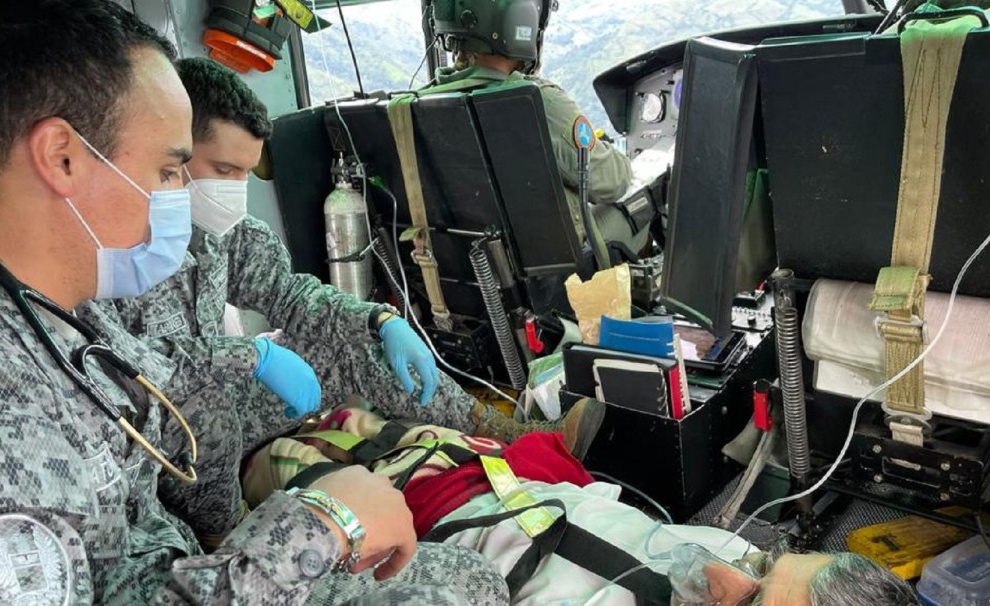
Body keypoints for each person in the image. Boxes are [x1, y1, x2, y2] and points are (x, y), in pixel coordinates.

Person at [0, 1, 509, 604]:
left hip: (163, 555)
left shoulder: (48, 297)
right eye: (171, 169)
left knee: (468, 578)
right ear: (62, 158)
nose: (184, 194)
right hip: (184, 557)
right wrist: (316, 526)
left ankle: (490, 425)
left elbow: (257, 315)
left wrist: (377, 320)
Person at [83, 55, 605, 466]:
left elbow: (291, 296)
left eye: (246, 172)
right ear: (174, 151)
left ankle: (502, 430)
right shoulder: (113, 245)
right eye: (223, 168)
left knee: (354, 340)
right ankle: (222, 529)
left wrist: (377, 320)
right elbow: (124, 369)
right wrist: (253, 359)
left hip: (224, 400)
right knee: (211, 408)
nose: (235, 190)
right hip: (164, 432)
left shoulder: (230, 235)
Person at [243, 405, 920, 606]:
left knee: (260, 461)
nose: (724, 572)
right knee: (343, 415)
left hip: (405, 521)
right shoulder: (732, 559)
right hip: (477, 465)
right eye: (766, 561)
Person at [425, 0, 646, 255]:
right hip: (549, 274)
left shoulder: (412, 108)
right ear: (520, 20)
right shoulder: (536, 102)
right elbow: (613, 181)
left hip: (464, 270)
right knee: (645, 197)